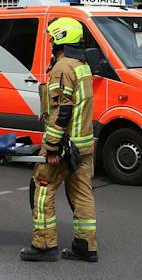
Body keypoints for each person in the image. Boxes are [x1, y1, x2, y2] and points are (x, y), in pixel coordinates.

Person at [20, 16, 99, 262]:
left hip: (65, 146)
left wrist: (52, 146)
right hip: (84, 144)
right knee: (82, 194)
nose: (51, 41)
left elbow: (62, 111)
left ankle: (44, 245)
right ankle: (85, 246)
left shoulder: (62, 68)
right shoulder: (82, 66)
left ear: (62, 38)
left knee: (42, 187)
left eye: (53, 37)